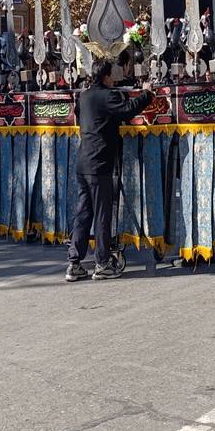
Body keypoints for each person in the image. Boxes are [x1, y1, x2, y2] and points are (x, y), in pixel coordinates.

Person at [66, 60, 154, 282]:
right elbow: (127, 112)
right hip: (99, 164)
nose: (115, 76)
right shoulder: (108, 96)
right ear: (105, 76)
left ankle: (74, 263)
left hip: (83, 163)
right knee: (102, 214)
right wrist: (146, 94)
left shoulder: (84, 96)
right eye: (112, 73)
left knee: (83, 214)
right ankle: (102, 262)